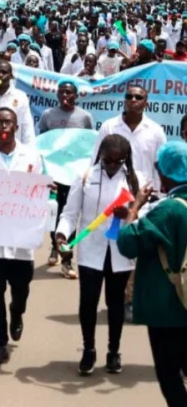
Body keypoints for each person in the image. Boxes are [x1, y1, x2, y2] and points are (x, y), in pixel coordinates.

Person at [56, 134, 143, 376]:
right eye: (108, 161)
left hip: (120, 252)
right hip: (91, 250)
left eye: (119, 161)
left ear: (126, 159)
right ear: (100, 156)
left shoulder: (136, 181)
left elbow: (143, 217)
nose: (113, 166)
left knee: (115, 304)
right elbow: (70, 214)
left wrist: (129, 213)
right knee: (88, 302)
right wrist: (62, 235)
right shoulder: (85, 177)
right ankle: (88, 350)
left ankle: (113, 351)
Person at [0, 107, 44, 366]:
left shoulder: (31, 156)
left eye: (9, 122)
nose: (4, 126)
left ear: (16, 126)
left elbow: (40, 192)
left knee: (21, 289)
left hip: (21, 240)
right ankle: (0, 343)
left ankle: (17, 313)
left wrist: (47, 189)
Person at [117, 140, 187, 407]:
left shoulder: (168, 211)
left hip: (168, 310)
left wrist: (134, 209)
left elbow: (127, 242)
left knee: (170, 377)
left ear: (164, 173)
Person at [39, 80, 95, 278]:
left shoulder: (85, 117)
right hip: (54, 175)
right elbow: (42, 145)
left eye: (69, 92)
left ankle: (67, 260)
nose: (65, 95)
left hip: (74, 175)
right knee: (54, 213)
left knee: (69, 215)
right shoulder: (48, 116)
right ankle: (55, 245)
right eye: (62, 92)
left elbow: (89, 145)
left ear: (76, 95)